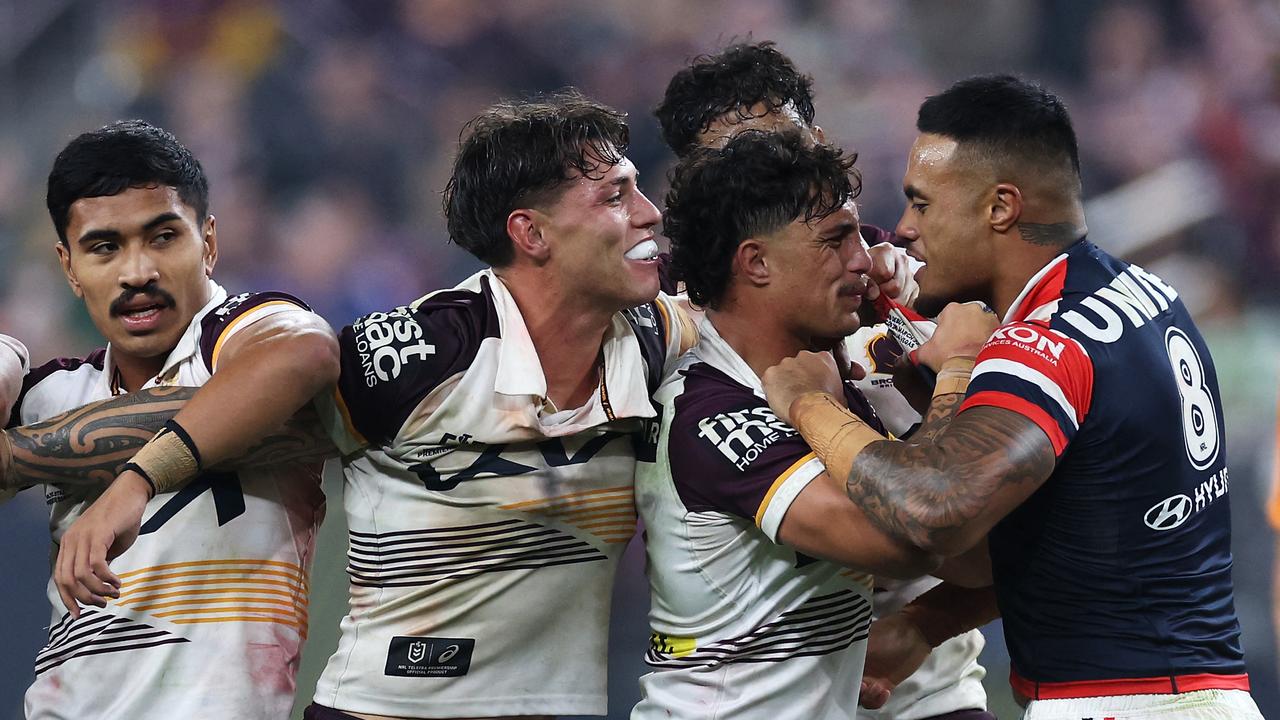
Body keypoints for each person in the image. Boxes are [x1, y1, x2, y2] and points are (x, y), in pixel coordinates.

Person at [762, 74, 1263, 719]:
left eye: (921, 203)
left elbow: (936, 510)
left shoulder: (1043, 343)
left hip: (1117, 703)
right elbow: (1057, 538)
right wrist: (926, 622)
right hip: (1197, 693)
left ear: (1000, 208)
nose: (906, 229)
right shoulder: (1144, 294)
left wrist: (811, 403)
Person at [655, 41, 993, 720]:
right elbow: (930, 529)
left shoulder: (895, 298)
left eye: (780, 148)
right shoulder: (683, 359)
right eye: (733, 161)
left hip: (930, 695)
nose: (765, 172)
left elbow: (1020, 537)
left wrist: (926, 625)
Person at [0, 120, 340, 719]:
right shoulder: (56, 390)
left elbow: (306, 353)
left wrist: (135, 481)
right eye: (104, 247)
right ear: (69, 266)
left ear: (208, 242)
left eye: (162, 238)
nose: (138, 273)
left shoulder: (243, 338)